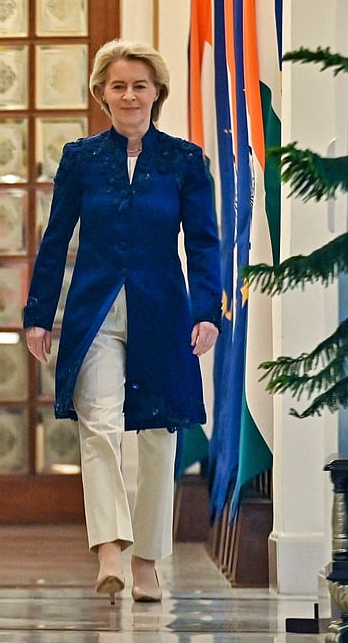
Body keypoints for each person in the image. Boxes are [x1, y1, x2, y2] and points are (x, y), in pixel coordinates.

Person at [23, 39, 222, 605]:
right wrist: (39, 315)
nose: (129, 95)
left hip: (164, 311)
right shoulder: (81, 158)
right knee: (101, 425)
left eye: (139, 85)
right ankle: (110, 548)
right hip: (95, 312)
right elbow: (55, 237)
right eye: (118, 85)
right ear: (101, 95)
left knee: (160, 437)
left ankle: (148, 563)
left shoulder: (185, 161)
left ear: (157, 93)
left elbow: (205, 244)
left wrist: (208, 310)